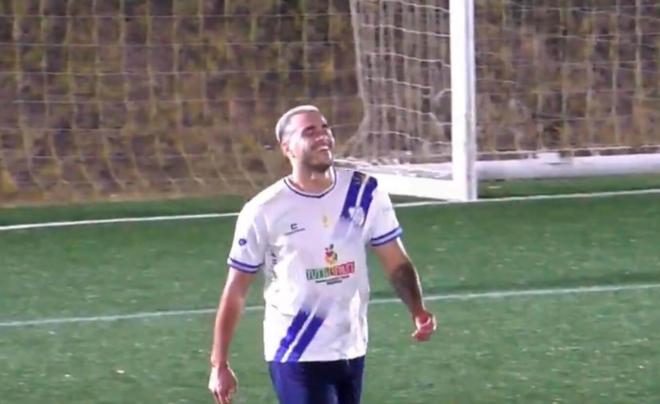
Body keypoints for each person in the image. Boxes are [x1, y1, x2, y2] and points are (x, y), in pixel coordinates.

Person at [207, 105, 437, 404]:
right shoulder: (264, 210)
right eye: (309, 131)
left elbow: (394, 259)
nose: (323, 136)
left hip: (351, 345)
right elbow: (236, 290)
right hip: (296, 350)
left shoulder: (365, 192)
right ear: (286, 147)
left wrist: (417, 309)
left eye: (325, 128)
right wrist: (219, 363)